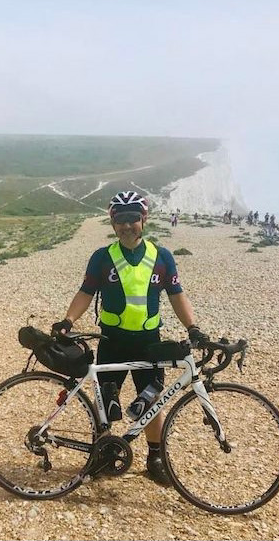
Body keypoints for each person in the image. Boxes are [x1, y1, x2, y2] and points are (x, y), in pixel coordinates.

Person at [51, 190, 208, 486]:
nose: (127, 225)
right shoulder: (102, 257)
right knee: (105, 401)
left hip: (149, 341)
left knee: (152, 400)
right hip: (112, 340)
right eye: (120, 219)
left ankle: (155, 457)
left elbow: (177, 295)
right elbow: (86, 293)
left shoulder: (161, 257)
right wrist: (68, 320)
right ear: (112, 222)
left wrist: (193, 327)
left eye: (132, 218)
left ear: (144, 219)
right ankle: (102, 453)